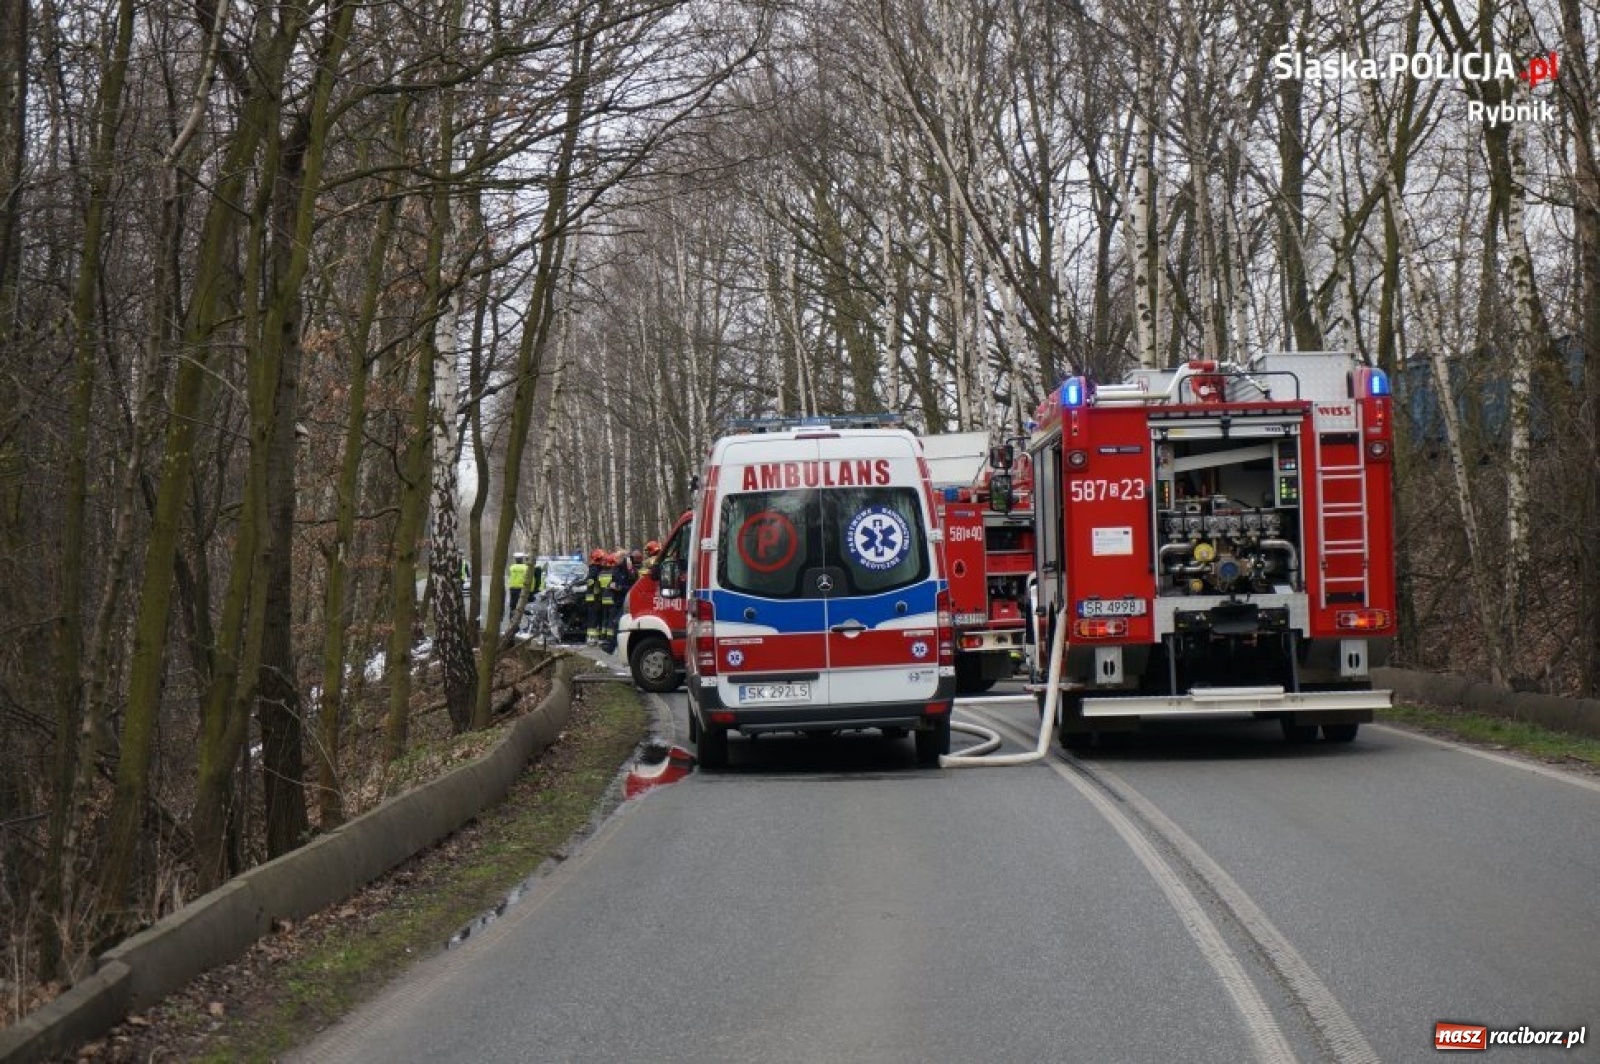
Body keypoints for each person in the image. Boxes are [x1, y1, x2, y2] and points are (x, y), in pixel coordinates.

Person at [507, 552, 529, 620]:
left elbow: (510, 576)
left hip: (512, 588)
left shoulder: (511, 567)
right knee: (522, 604)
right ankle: (519, 619)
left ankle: (511, 619)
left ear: (515, 560)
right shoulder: (526, 568)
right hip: (522, 588)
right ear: (522, 559)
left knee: (513, 605)